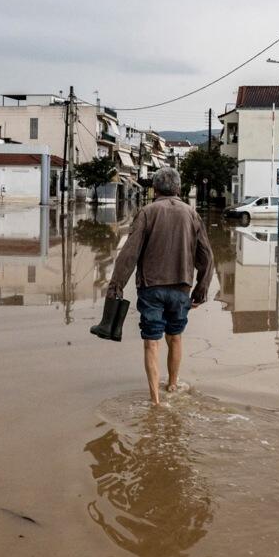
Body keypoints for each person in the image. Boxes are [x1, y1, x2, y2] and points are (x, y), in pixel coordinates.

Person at [107, 167, 214, 405]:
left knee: (151, 343)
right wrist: (201, 291)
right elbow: (207, 257)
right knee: (175, 338)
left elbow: (129, 254)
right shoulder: (192, 214)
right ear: (178, 189)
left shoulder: (147, 212)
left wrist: (116, 287)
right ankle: (173, 385)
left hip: (151, 288)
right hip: (181, 288)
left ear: (155, 189)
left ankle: (155, 401)